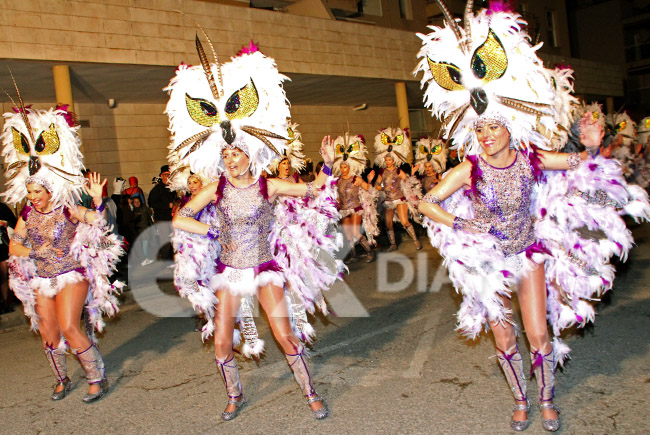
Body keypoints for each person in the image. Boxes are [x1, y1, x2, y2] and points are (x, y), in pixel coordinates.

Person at [415, 3, 650, 432]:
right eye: (480, 130)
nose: (485, 137)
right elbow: (427, 202)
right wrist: (462, 225)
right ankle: (520, 400)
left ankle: (546, 399)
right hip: (487, 260)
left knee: (537, 333)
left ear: (511, 126)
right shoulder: (469, 168)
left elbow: (581, 163)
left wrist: (595, 146)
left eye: (493, 128)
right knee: (503, 337)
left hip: (529, 252)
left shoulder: (533, 158)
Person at [166, 38, 343, 421]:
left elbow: (313, 191)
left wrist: (327, 167)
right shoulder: (217, 188)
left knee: (284, 335)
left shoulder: (269, 185)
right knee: (220, 341)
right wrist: (210, 234)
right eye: (226, 155)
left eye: (237, 153)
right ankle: (234, 395)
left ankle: (310, 393)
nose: (230, 160)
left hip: (264, 267)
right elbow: (181, 218)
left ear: (251, 154)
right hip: (229, 272)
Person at [1, 94, 122, 404]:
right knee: (49, 333)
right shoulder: (27, 215)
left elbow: (97, 220)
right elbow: (15, 245)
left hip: (71, 274)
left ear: (50, 189)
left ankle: (97, 376)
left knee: (69, 326)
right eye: (28, 192)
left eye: (37, 191)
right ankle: (62, 378)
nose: (32, 197)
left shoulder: (67, 209)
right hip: (42, 277)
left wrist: (97, 200)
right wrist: (33, 253)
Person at [373, 127, 422, 251]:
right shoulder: (382, 172)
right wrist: (384, 187)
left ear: (394, 160)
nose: (388, 161)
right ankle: (393, 244)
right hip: (388, 200)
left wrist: (411, 175)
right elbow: (377, 186)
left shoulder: (399, 171)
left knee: (405, 221)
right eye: (386, 159)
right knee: (388, 224)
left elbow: (408, 182)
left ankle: (415, 240)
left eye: (390, 159)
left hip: (400, 198)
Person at [332, 132, 378, 263]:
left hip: (356, 209)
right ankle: (353, 255)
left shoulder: (355, 178)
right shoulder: (338, 180)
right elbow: (337, 196)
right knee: (348, 235)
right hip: (344, 210)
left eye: (345, 167)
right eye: (341, 167)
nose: (343, 169)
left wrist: (368, 181)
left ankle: (369, 251)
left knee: (356, 232)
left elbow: (368, 190)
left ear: (350, 167)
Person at [148, 165, 177, 260]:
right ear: (161, 176)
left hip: (173, 219)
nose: (167, 177)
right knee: (165, 242)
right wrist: (167, 206)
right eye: (165, 175)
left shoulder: (172, 188)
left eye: (169, 175)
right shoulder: (156, 190)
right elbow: (151, 203)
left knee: (174, 240)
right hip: (162, 219)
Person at [0, 201, 17, 313]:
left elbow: (14, 224)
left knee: (4, 276)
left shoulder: (2, 208)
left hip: (2, 247)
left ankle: (6, 303)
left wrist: (4, 224)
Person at [131, 193, 155, 266]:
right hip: (138, 230)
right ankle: (144, 259)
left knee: (145, 244)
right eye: (135, 202)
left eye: (138, 201)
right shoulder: (133, 211)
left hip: (145, 229)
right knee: (142, 245)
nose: (137, 203)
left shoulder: (144, 208)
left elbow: (150, 215)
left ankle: (145, 258)